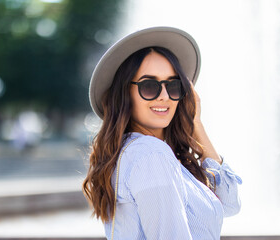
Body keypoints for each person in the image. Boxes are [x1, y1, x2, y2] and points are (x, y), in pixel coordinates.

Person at [82, 27, 242, 239]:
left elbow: (229, 204)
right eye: (150, 86)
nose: (164, 96)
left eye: (173, 85)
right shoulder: (150, 154)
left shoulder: (143, 153)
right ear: (124, 93)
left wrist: (196, 124)